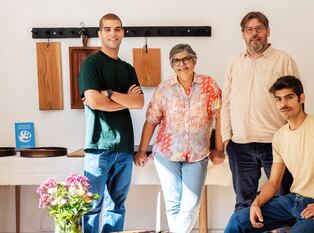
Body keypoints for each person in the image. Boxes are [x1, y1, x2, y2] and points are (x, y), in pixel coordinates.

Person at [224, 76, 314, 233]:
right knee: (238, 220)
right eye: (278, 99)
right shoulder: (279, 137)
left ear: (302, 98)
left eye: (289, 97)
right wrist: (256, 204)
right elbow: (273, 183)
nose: (283, 104)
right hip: (291, 201)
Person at [135, 44, 224, 233]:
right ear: (171, 64)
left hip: (198, 153)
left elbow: (219, 117)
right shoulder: (164, 88)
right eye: (176, 60)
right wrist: (142, 150)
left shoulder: (209, 84)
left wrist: (219, 149)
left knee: (191, 205)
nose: (181, 64)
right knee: (173, 204)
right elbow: (152, 120)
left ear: (194, 61)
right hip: (166, 153)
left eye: (186, 59)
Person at [221, 11, 301, 211]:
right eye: (249, 29)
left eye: (259, 28)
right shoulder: (234, 63)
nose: (254, 33)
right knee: (243, 203)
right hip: (240, 144)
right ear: (243, 34)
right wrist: (226, 138)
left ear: (268, 31)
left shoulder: (283, 60)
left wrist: (292, 136)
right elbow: (227, 102)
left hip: (275, 141)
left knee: (285, 199)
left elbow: (296, 101)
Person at [78, 13, 144, 233]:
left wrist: (109, 93)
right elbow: (94, 102)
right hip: (98, 147)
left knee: (117, 207)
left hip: (124, 148)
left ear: (123, 32)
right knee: (91, 206)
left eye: (117, 29)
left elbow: (139, 102)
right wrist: (124, 99)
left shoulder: (128, 69)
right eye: (107, 29)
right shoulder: (91, 64)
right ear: (100, 33)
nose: (113, 33)